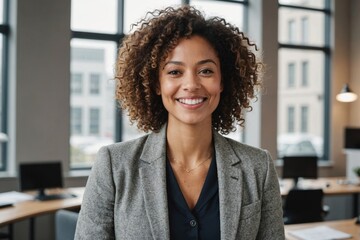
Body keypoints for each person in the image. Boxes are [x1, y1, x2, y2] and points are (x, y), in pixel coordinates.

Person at [75, 5, 285, 240]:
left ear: (223, 82)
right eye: (175, 72)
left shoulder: (258, 167)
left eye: (205, 71)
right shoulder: (114, 166)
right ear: (156, 84)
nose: (191, 84)